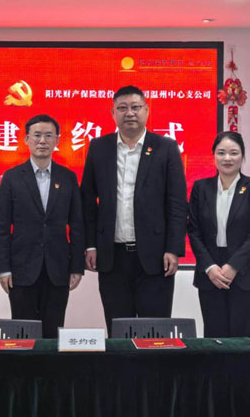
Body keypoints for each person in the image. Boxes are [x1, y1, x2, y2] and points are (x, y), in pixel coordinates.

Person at [81, 85, 188, 334]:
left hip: (155, 257)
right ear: (113, 113)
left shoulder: (166, 147)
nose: (129, 113)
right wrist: (91, 245)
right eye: (122, 108)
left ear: (146, 110)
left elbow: (177, 203)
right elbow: (87, 200)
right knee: (118, 330)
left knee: (155, 332)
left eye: (135, 107)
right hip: (112, 257)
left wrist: (173, 248)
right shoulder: (99, 147)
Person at [0, 115, 85, 338]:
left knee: (53, 333)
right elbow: (1, 226)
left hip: (58, 268)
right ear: (26, 139)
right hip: (21, 269)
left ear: (57, 140)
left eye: (48, 135)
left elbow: (77, 224)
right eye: (37, 135)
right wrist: (3, 268)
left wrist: (76, 266)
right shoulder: (12, 178)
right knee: (23, 334)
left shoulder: (68, 177)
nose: (42, 141)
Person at [188, 131, 250, 337]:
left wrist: (234, 266)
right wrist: (209, 267)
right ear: (214, 155)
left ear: (242, 156)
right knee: (215, 339)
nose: (227, 158)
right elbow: (194, 231)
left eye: (234, 153)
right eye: (221, 152)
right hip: (211, 274)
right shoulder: (201, 188)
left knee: (247, 340)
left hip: (246, 272)